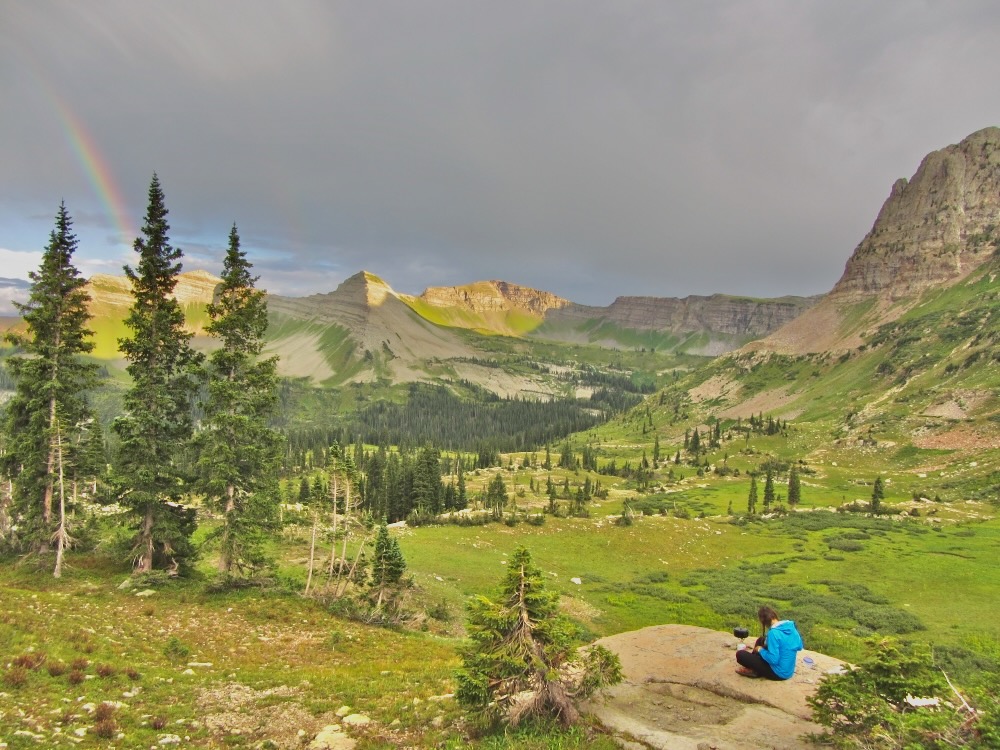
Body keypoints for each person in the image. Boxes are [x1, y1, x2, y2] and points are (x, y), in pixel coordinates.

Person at [735, 605, 803, 679]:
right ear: (774, 615)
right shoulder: (791, 626)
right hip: (788, 671)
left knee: (740, 655)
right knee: (761, 640)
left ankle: (756, 670)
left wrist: (760, 650)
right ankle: (756, 666)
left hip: (778, 673)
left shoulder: (773, 633)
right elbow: (799, 646)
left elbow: (773, 660)